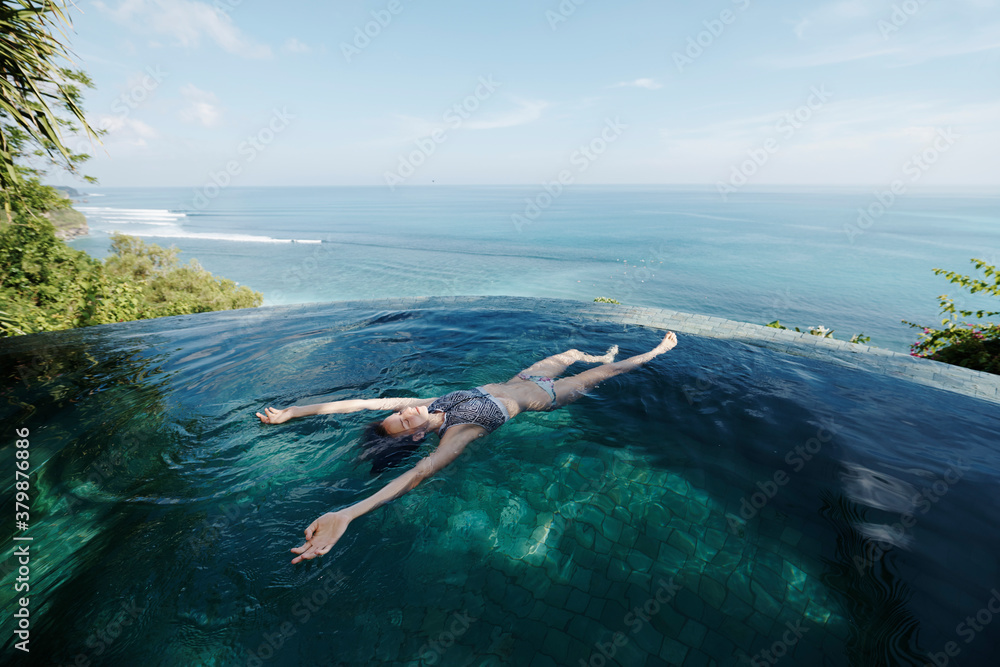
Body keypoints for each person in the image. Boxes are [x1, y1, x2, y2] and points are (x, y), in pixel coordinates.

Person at [256, 331, 678, 564]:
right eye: (404, 420)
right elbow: (417, 474)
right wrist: (348, 513)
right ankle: (655, 352)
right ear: (416, 437)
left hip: (523, 378)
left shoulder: (427, 404)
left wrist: (294, 412)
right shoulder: (456, 434)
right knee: (606, 373)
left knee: (570, 352)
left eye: (400, 412)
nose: (405, 411)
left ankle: (599, 353)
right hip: (549, 396)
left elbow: (363, 403)